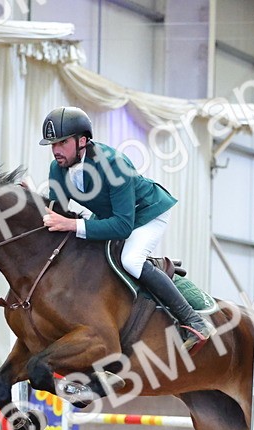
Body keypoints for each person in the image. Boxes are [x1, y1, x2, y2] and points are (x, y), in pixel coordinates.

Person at [38, 106, 213, 353]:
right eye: (52, 144)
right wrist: (30, 201)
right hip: (113, 213)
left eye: (62, 142)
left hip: (147, 212)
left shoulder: (114, 164)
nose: (56, 150)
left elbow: (122, 226)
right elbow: (57, 210)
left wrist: (72, 224)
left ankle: (193, 321)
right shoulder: (58, 168)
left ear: (82, 141)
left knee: (130, 259)